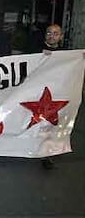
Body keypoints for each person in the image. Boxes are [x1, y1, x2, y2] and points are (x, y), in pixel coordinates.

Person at [39, 24, 64, 170]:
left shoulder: (67, 55)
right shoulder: (34, 50)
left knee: (50, 125)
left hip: (55, 95)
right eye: (49, 33)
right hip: (37, 93)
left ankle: (46, 154)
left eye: (55, 33)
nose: (51, 36)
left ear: (60, 36)